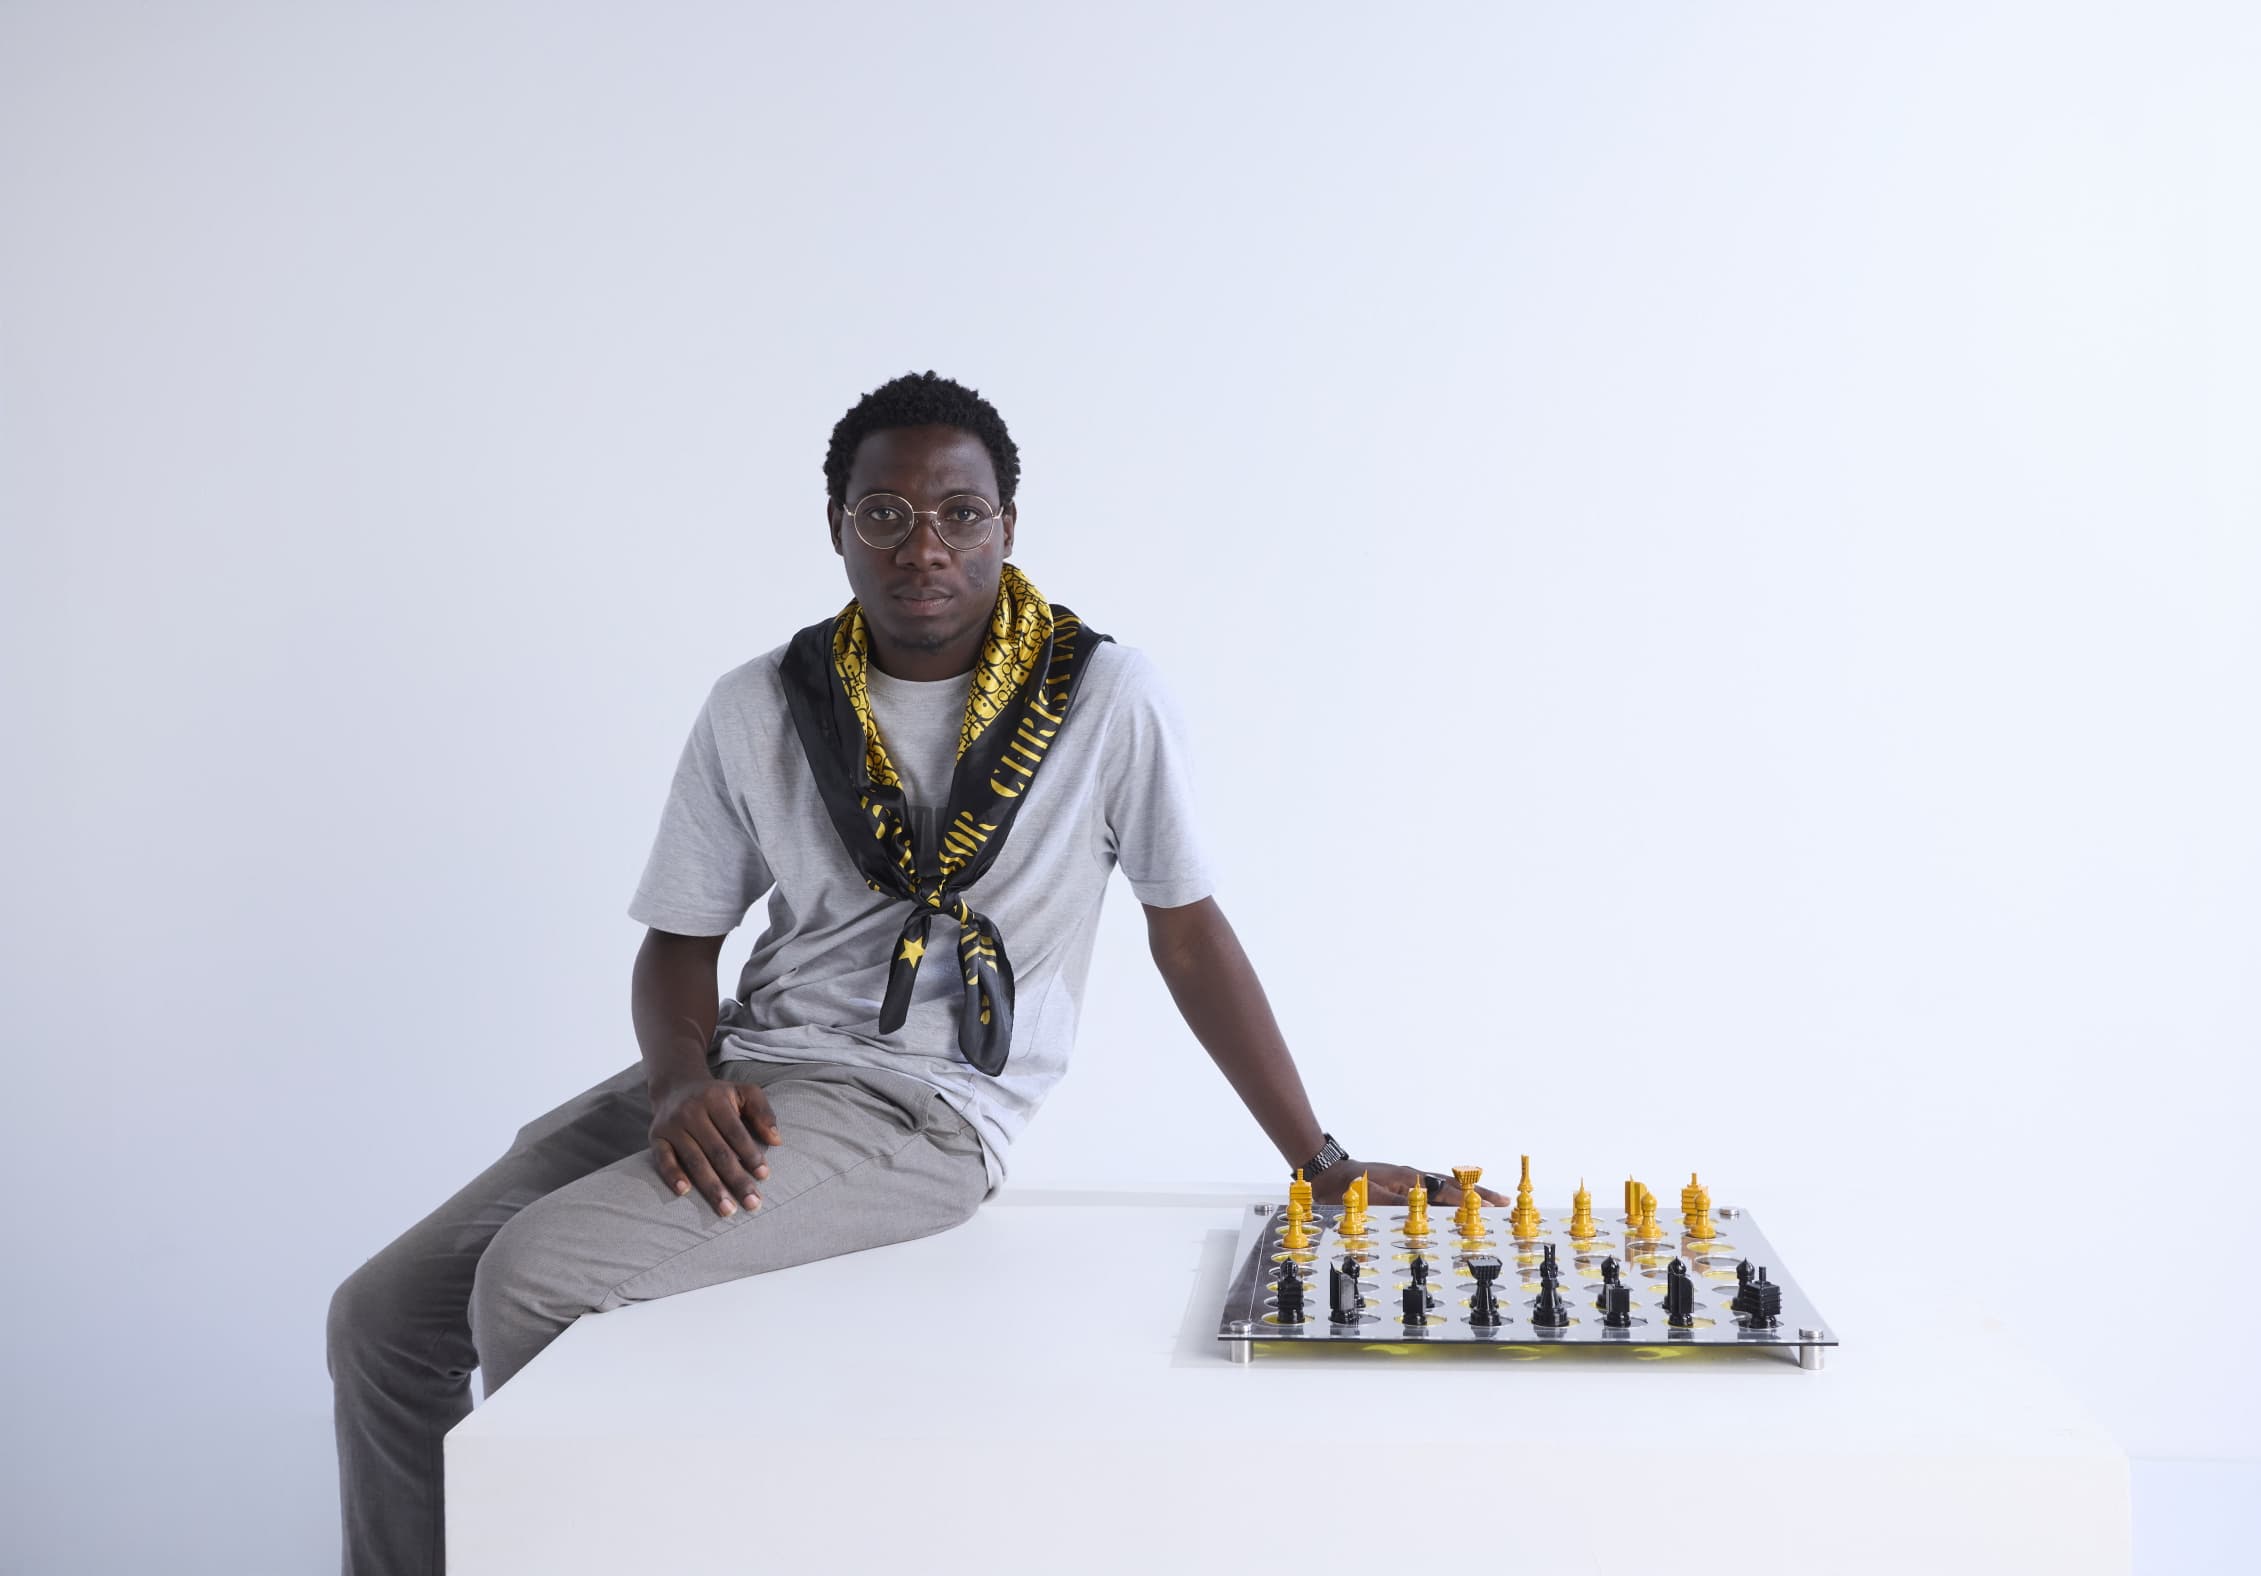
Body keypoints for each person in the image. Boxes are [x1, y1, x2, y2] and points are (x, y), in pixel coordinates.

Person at [324, 369, 1504, 1575]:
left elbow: (1187, 933)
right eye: (883, 514)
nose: (922, 546)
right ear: (837, 527)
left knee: (531, 1276)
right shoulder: (762, 701)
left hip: (920, 1108)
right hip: (734, 1067)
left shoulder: (1100, 696)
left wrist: (1319, 1159)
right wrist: (679, 1083)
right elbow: (681, 942)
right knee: (382, 1318)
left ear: (1007, 526)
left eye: (959, 513)